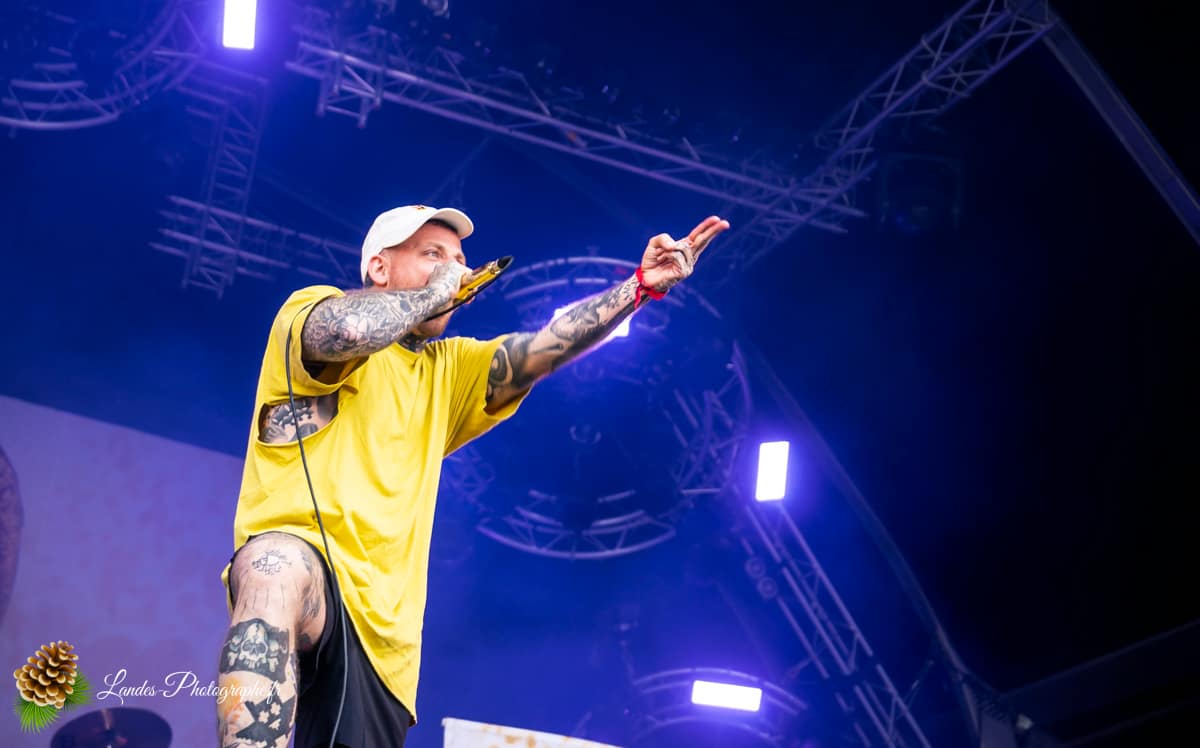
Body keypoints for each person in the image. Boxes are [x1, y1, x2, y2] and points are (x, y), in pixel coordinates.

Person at [215, 204, 729, 748]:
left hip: (384, 642)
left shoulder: (449, 368)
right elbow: (343, 331)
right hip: (305, 566)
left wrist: (639, 287)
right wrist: (437, 291)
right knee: (275, 567)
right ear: (379, 268)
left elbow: (547, 345)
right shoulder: (311, 309)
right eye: (432, 254)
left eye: (458, 260)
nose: (454, 269)